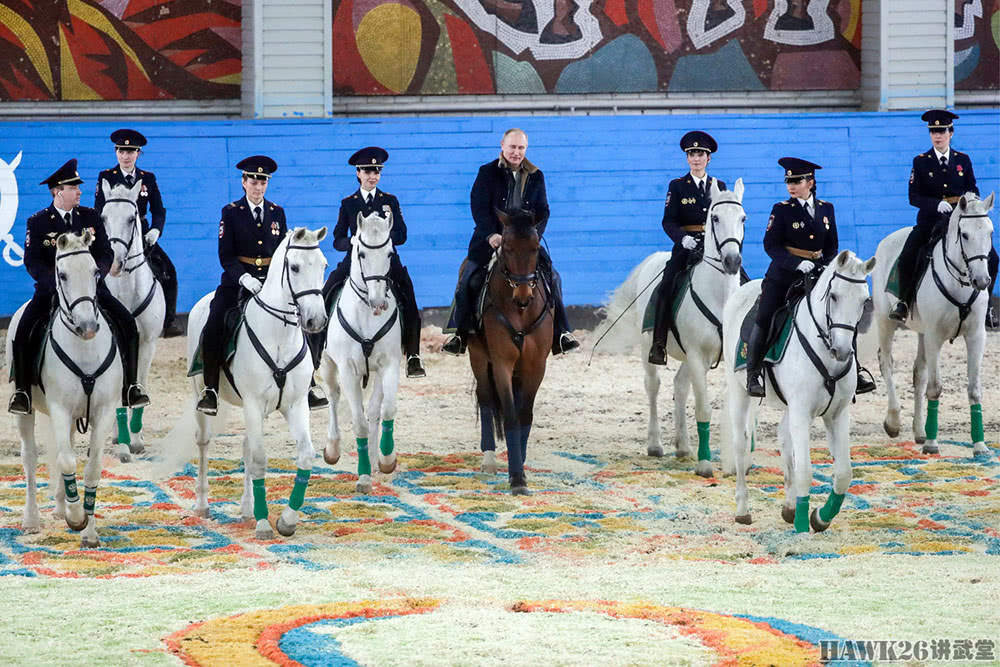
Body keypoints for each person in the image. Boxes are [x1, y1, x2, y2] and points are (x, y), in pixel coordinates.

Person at [8, 159, 150, 414]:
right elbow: (32, 262)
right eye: (73, 187)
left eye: (78, 187)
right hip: (51, 292)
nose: (79, 191)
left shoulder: (90, 217)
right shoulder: (38, 222)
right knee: (22, 331)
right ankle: (23, 392)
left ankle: (131, 387)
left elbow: (105, 253)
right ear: (57, 191)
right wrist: (56, 283)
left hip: (92, 290)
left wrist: (97, 275)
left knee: (128, 324)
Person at [196, 156, 326, 414]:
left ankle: (309, 383)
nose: (258, 186)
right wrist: (244, 278)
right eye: (253, 181)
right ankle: (210, 388)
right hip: (238, 281)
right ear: (244, 183)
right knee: (214, 323)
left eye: (263, 181)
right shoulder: (231, 212)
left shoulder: (278, 212)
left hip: (272, 283)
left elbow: (284, 254)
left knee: (302, 318)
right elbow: (226, 256)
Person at [744, 158, 876, 398]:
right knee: (765, 315)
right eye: (788, 182)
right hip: (783, 275)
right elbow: (770, 245)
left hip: (819, 272)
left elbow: (832, 246)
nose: (791, 186)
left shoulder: (827, 208)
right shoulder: (781, 209)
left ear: (811, 182)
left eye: (797, 181)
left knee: (842, 313)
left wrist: (825, 266)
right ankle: (754, 373)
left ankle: (855, 371)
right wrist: (797, 263)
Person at [442, 128, 579, 356]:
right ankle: (460, 334)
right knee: (469, 277)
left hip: (524, 244)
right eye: (513, 147)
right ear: (502, 146)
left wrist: (534, 236)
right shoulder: (486, 173)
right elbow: (478, 206)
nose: (516, 152)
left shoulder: (536, 176)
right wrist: (490, 235)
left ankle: (562, 333)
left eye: (521, 148)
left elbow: (543, 210)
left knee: (553, 277)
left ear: (526, 149)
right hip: (490, 240)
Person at [311, 146, 426, 379]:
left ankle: (413, 356)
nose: (372, 176)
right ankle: (316, 354)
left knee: (409, 298)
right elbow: (337, 240)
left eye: (377, 171)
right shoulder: (348, 203)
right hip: (356, 261)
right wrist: (353, 241)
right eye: (368, 171)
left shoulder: (390, 201)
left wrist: (382, 240)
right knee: (325, 295)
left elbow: (402, 234)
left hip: (386, 261)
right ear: (358, 173)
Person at [890, 109, 997, 327]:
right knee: (910, 253)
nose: (937, 136)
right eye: (933, 132)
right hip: (931, 220)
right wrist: (935, 204)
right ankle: (903, 301)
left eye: (942, 131)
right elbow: (914, 196)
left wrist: (971, 200)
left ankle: (986, 306)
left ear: (951, 133)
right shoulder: (920, 162)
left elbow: (972, 188)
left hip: (960, 219)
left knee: (993, 257)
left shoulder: (963, 160)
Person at [93, 129, 183, 337]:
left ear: (138, 153)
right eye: (121, 151)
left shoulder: (148, 178)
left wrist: (155, 230)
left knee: (169, 271)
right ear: (116, 152)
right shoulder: (106, 176)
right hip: (112, 233)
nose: (126, 156)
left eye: (130, 151)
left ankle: (169, 321)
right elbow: (99, 209)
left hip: (140, 234)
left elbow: (158, 210)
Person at [648, 130, 727, 365]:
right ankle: (659, 343)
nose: (696, 158)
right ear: (687, 158)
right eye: (692, 154)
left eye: (700, 154)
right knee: (666, 287)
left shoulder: (719, 186)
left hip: (714, 249)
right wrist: (683, 239)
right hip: (686, 248)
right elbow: (668, 221)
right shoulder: (678, 186)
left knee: (742, 281)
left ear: (708, 158)